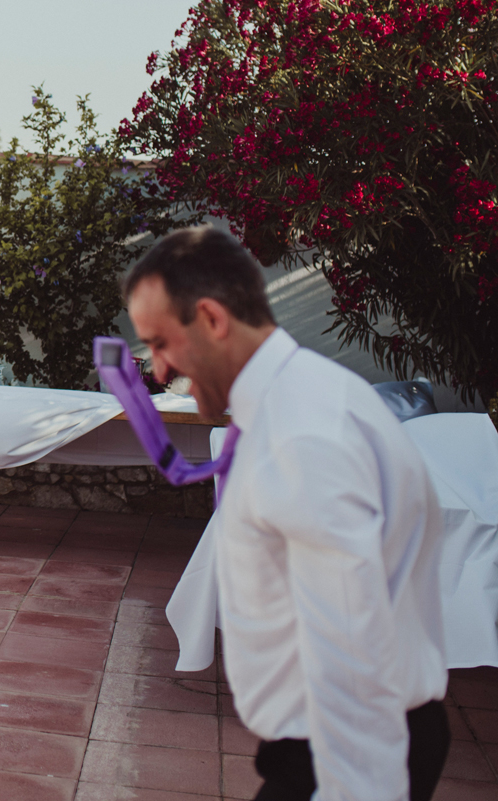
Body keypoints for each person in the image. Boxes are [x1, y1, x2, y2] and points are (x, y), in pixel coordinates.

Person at [124, 227, 449, 801]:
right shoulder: (305, 397)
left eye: (160, 342)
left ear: (212, 319)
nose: (156, 370)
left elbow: (353, 653)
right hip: (336, 743)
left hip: (345, 757)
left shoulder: (300, 438)